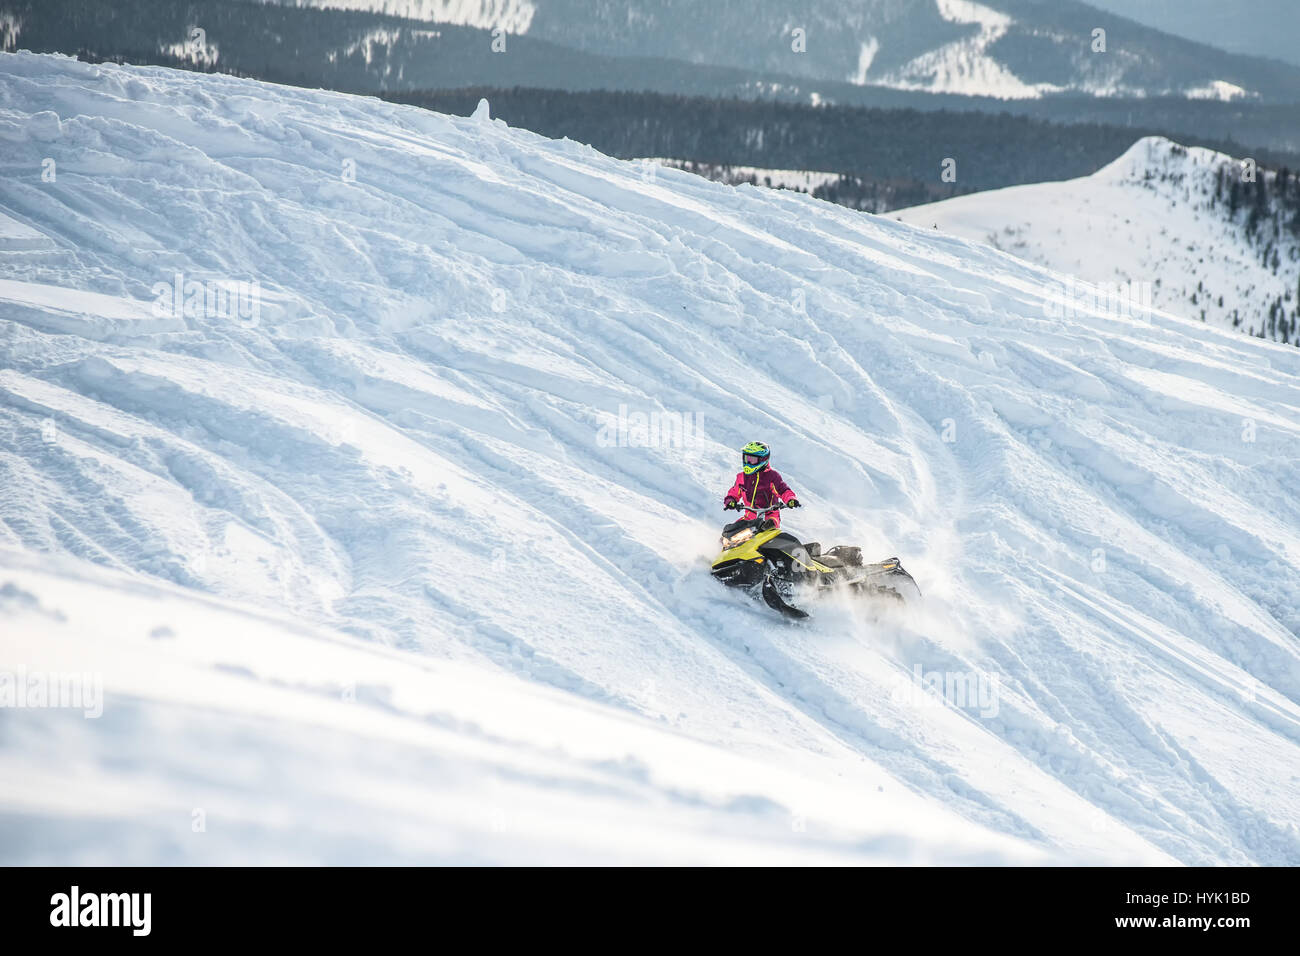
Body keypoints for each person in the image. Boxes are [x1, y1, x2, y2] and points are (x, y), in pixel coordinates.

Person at [723, 441, 800, 527]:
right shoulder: (741, 477)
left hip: (769, 518)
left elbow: (783, 490)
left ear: (763, 459)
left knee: (767, 526)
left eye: (752, 460)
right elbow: (733, 493)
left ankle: (777, 538)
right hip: (749, 518)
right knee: (730, 531)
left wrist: (791, 499)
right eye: (747, 459)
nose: (748, 463)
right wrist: (730, 501)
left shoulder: (772, 476)